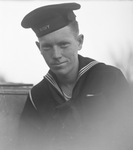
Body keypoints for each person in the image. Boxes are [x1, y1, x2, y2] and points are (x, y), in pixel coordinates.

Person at [18, 2, 133, 150]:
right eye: (47, 47)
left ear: (79, 42)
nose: (56, 55)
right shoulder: (37, 96)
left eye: (63, 45)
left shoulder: (109, 78)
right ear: (38, 47)